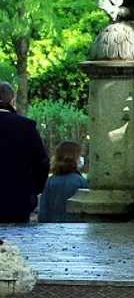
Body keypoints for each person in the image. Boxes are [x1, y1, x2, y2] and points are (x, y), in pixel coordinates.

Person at [0, 81, 49, 223]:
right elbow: (42, 162)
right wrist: (33, 190)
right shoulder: (26, 126)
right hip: (16, 199)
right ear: (12, 100)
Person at [37, 140, 89, 223]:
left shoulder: (51, 181)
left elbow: (43, 211)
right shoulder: (81, 182)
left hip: (53, 229)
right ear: (75, 157)